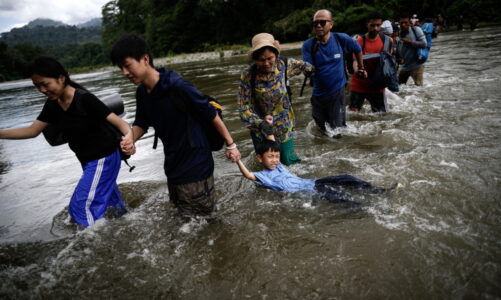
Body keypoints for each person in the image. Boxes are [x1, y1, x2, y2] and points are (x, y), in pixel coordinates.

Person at [110, 34, 241, 220]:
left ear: (145, 59)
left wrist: (231, 145)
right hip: (173, 167)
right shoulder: (142, 93)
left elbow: (211, 114)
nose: (124, 72)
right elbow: (141, 123)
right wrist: (130, 138)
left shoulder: (177, 86)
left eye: (127, 65)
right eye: (120, 68)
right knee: (184, 221)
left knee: (205, 223)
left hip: (196, 165)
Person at [0, 56, 131, 227]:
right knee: (114, 208)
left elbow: (121, 123)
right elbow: (32, 131)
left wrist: (129, 139)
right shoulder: (53, 104)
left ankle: (95, 248)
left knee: (80, 209)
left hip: (103, 158)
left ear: (61, 78)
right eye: (37, 86)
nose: (41, 90)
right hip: (88, 161)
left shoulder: (84, 99)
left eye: (45, 84)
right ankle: (127, 228)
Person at [238, 33, 313, 166]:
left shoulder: (285, 64)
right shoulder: (248, 75)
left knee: (289, 162)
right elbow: (244, 107)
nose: (266, 63)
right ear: (255, 59)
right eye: (261, 60)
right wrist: (261, 124)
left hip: (283, 124)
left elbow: (309, 67)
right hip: (260, 127)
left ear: (276, 55)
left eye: (270, 58)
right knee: (266, 165)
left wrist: (316, 78)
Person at [235, 139, 392, 203]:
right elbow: (248, 175)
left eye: (276, 156)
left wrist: (268, 124)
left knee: (346, 178)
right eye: (270, 157)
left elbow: (273, 143)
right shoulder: (263, 176)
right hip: (310, 192)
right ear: (260, 159)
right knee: (339, 197)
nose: (275, 159)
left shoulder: (279, 166)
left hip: (314, 182)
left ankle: (380, 191)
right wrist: (237, 160)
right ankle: (366, 208)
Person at [302, 9, 366, 134]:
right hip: (318, 94)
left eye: (322, 22)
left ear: (331, 24)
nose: (319, 25)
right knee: (322, 130)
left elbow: (357, 49)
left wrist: (361, 68)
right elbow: (307, 66)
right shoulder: (308, 45)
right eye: (315, 23)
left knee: (338, 129)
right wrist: (305, 70)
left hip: (337, 91)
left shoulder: (340, 38)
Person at [349, 11, 394, 113]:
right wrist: (358, 70)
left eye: (378, 25)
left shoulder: (387, 41)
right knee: (352, 114)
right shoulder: (358, 42)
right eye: (372, 25)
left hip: (377, 85)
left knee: (381, 116)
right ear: (367, 25)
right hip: (359, 84)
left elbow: (388, 61)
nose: (375, 28)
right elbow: (355, 61)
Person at [395, 16, 427, 86]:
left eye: (405, 22)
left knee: (419, 89)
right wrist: (398, 58)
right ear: (399, 24)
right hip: (404, 66)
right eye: (401, 23)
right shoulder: (399, 33)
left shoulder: (416, 30)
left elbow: (424, 44)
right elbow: (398, 48)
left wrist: (410, 42)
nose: (403, 25)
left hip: (417, 66)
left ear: (410, 23)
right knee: (398, 88)